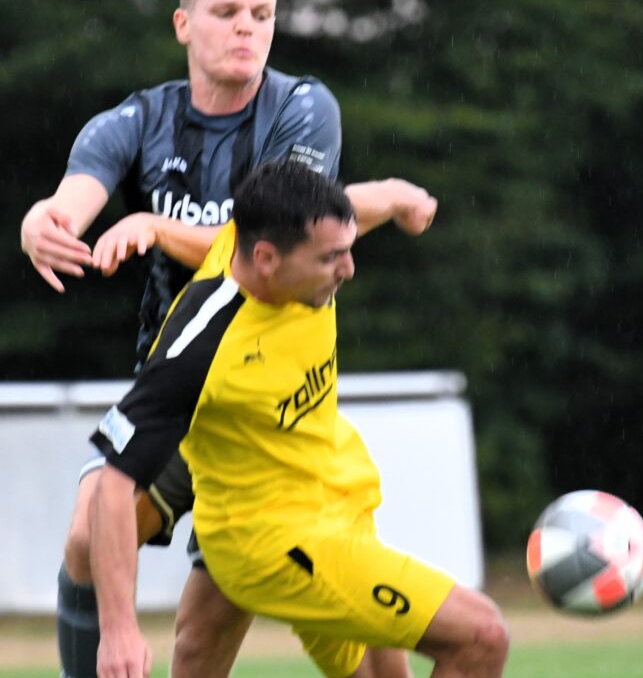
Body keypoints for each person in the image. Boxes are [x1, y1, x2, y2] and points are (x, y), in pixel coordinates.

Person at [21, 0, 415, 677]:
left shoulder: (302, 109)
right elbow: (75, 196)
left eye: (262, 14)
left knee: (226, 649)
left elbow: (273, 243)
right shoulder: (139, 119)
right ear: (183, 23)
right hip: (179, 395)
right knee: (87, 534)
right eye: (228, 12)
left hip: (269, 411)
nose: (248, 29)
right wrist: (43, 222)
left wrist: (156, 228)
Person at [87, 161, 510, 678]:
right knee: (481, 637)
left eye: (348, 248)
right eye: (332, 258)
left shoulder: (266, 242)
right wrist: (118, 630)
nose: (349, 269)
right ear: (265, 259)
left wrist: (399, 196)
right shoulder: (200, 347)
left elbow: (354, 205)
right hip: (279, 542)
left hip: (339, 503)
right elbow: (113, 485)